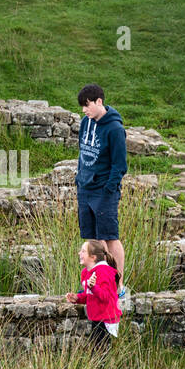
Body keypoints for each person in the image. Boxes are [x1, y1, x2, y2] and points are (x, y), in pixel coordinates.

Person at [75, 83, 127, 296]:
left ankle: (118, 284)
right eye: (82, 107)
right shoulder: (85, 123)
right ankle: (94, 284)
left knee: (110, 237)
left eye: (87, 106)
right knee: (93, 240)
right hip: (84, 188)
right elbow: (81, 152)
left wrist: (108, 189)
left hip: (104, 191)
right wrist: (79, 179)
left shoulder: (114, 128)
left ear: (99, 102)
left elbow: (120, 165)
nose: (84, 110)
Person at [67, 239, 122, 352]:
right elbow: (90, 295)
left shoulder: (104, 272)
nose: (79, 253)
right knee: (96, 350)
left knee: (99, 352)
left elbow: (106, 297)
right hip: (96, 316)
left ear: (93, 257)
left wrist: (93, 287)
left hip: (106, 318)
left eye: (83, 251)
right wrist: (77, 298)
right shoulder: (86, 272)